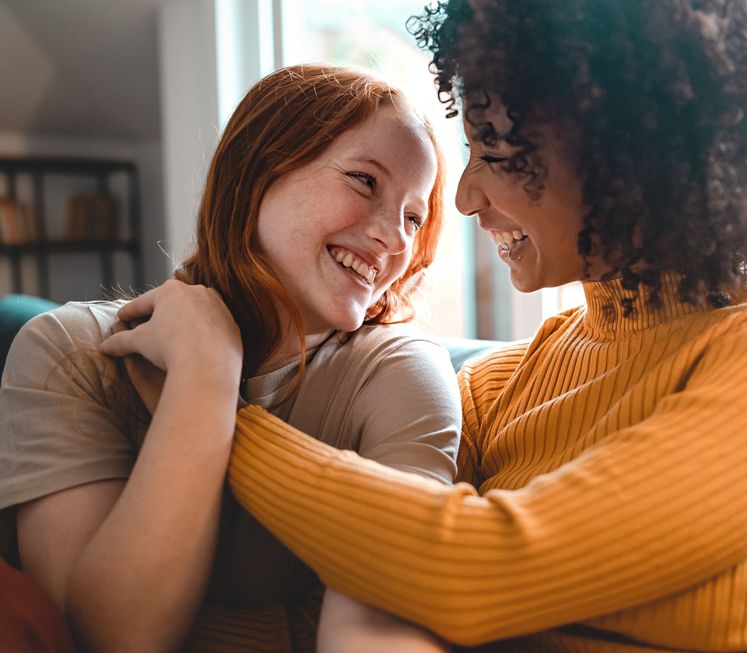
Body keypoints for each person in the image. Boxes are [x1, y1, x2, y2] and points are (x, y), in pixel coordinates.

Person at [101, 1, 747, 651]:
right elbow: (362, 593)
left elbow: (474, 567)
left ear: (624, 148)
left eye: (492, 151)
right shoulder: (500, 385)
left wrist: (210, 394)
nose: (462, 199)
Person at [0, 64, 460, 652]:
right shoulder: (69, 352)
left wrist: (205, 380)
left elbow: (385, 625)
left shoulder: (402, 375)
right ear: (256, 173)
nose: (395, 239)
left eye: (414, 217)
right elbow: (111, 638)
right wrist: (206, 377)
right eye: (365, 182)